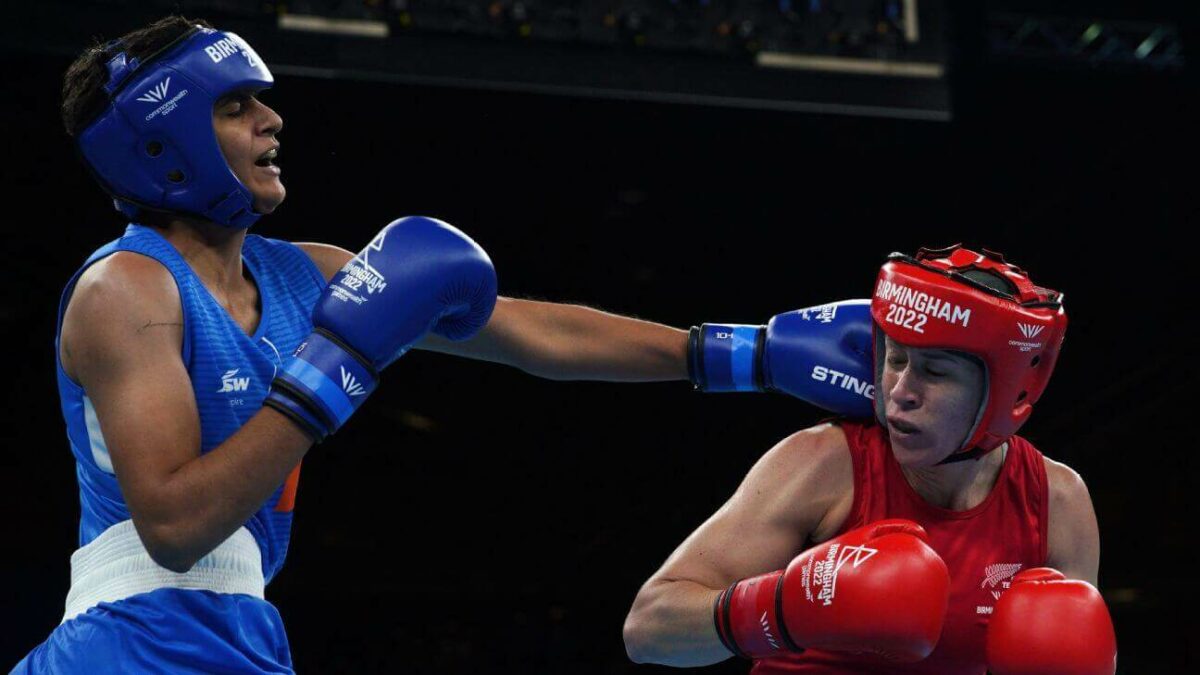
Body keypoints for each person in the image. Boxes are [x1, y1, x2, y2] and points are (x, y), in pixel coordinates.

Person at [17, 15, 877, 673]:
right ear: (162, 141)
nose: (272, 120)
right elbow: (174, 523)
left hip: (237, 630)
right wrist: (336, 370)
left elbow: (536, 333)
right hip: (128, 641)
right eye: (235, 106)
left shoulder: (304, 276)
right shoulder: (125, 290)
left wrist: (745, 353)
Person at [623, 245, 1119, 675]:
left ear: (1006, 392)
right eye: (896, 359)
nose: (900, 392)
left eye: (935, 372)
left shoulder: (1056, 501)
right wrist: (784, 610)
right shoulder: (825, 463)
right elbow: (649, 629)